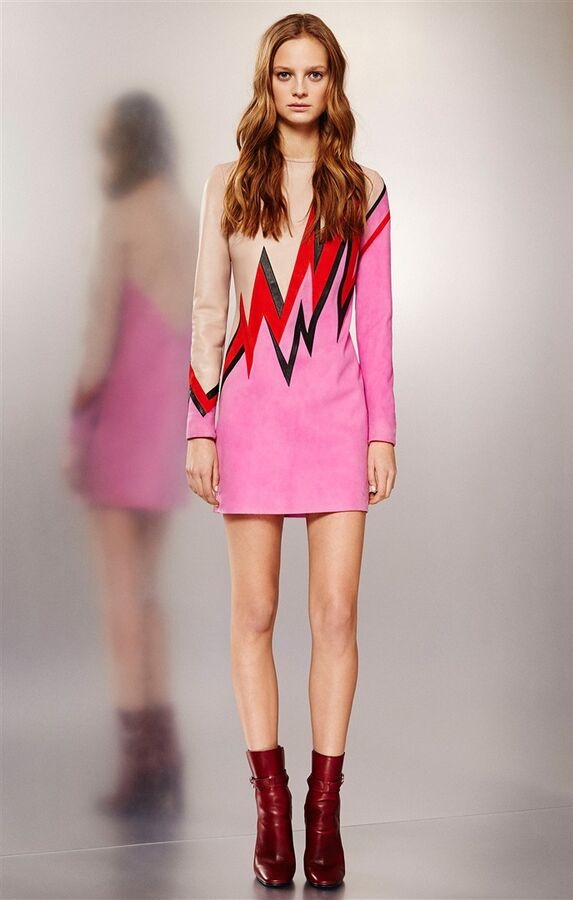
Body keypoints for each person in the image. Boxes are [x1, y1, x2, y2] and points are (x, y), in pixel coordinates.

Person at [185, 12, 397, 889]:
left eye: (314, 74)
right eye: (285, 74)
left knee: (336, 615)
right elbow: (210, 312)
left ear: (332, 83)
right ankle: (272, 813)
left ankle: (324, 812)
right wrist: (200, 428)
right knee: (257, 613)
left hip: (338, 421)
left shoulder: (365, 189)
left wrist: (382, 431)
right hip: (250, 422)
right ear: (266, 83)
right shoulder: (229, 183)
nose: (300, 89)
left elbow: (375, 325)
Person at [65, 91, 198, 816]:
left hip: (120, 425)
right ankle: (165, 756)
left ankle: (139, 766)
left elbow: (99, 338)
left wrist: (78, 433)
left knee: (120, 598)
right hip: (170, 426)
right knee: (148, 595)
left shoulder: (121, 217)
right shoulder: (183, 213)